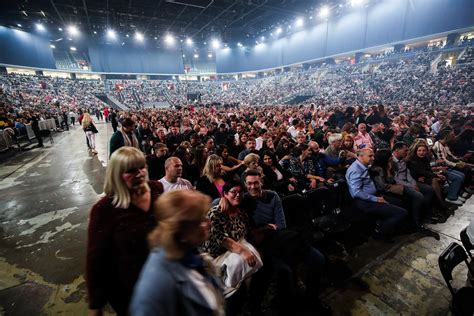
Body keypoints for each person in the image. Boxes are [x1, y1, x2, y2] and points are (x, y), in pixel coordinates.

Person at [86, 147, 164, 316]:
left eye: (142, 167)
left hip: (164, 282)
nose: (140, 173)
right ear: (116, 174)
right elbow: (96, 260)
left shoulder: (157, 189)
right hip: (130, 293)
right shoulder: (104, 210)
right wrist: (95, 305)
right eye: (131, 171)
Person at [130, 190, 225, 316]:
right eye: (199, 220)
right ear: (179, 230)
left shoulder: (188, 251)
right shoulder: (156, 287)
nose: (208, 222)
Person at [202, 181, 254, 316]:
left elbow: (245, 235)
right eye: (233, 192)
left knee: (242, 291)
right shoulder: (216, 212)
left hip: (234, 258)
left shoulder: (242, 214)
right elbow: (221, 239)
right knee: (232, 296)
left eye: (239, 192)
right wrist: (244, 251)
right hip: (215, 258)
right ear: (225, 194)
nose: (237, 195)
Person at [346, 148, 408, 241]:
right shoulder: (356, 170)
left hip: (373, 196)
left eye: (373, 155)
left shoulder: (363, 166)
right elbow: (356, 193)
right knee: (402, 213)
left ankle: (390, 227)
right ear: (361, 156)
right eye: (370, 156)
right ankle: (379, 232)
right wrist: (376, 199)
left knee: (400, 201)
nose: (373, 158)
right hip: (365, 201)